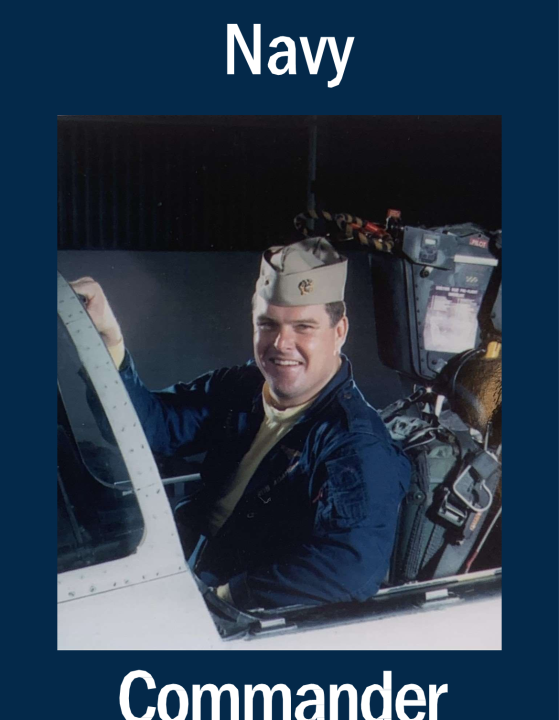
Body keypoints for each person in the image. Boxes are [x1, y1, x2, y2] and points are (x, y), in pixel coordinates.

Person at [71, 238, 410, 610]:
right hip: (183, 566)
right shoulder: (242, 386)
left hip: (233, 606)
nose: (281, 343)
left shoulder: (355, 444)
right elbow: (150, 427)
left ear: (339, 331)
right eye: (268, 324)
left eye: (304, 327)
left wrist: (229, 597)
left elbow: (350, 570)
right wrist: (108, 339)